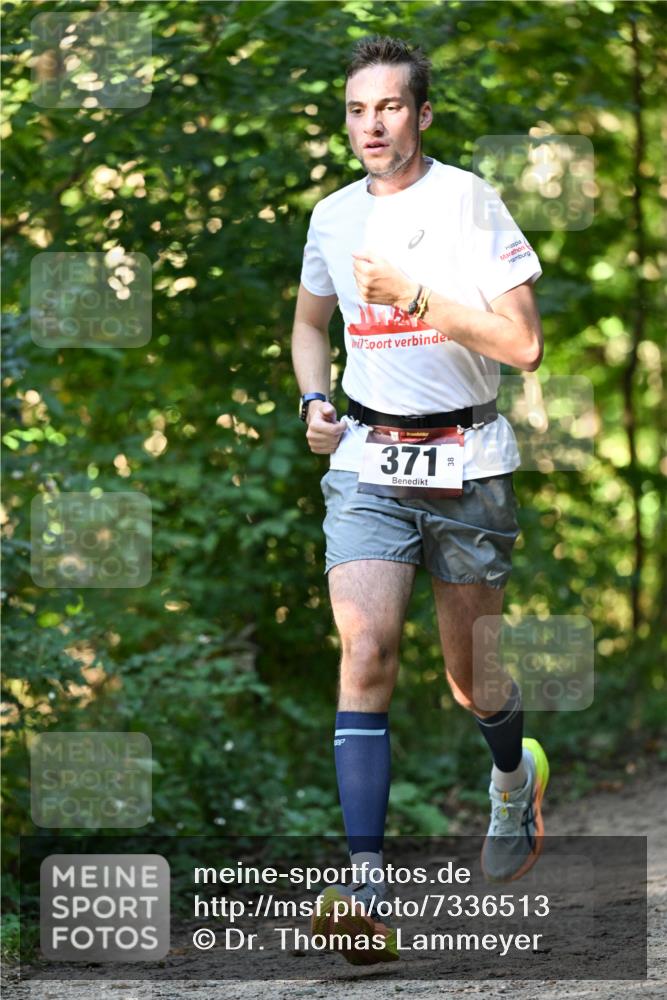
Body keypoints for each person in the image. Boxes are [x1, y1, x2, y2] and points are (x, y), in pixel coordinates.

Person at [291, 35, 549, 965]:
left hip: (466, 458)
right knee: (365, 652)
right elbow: (309, 324)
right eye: (357, 110)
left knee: (470, 678)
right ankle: (366, 890)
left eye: (390, 107)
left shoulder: (468, 201)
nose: (371, 125)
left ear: (421, 114)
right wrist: (314, 401)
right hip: (366, 462)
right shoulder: (330, 216)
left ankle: (513, 776)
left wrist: (412, 296)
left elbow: (522, 346)